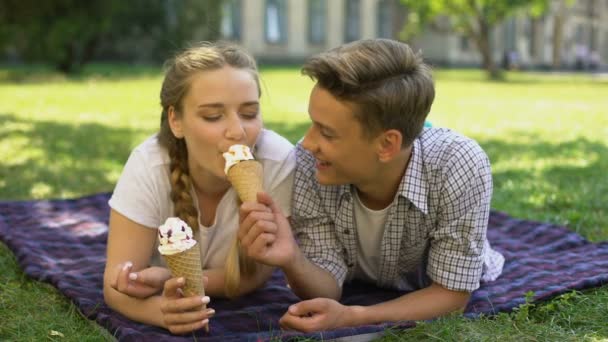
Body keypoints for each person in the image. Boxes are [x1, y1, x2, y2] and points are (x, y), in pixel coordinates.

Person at [238, 38, 504, 332]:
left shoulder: (458, 165)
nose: (308, 142)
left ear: (387, 144)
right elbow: (326, 286)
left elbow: (452, 295)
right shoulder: (309, 162)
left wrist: (354, 317)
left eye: (327, 133)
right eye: (313, 124)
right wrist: (292, 259)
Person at [103, 42, 295, 334]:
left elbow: (255, 275)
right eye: (213, 116)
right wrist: (161, 313)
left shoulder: (277, 161)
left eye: (249, 112)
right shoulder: (148, 165)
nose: (237, 131)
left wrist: (171, 277)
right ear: (176, 121)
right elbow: (115, 286)